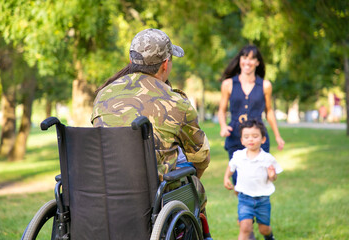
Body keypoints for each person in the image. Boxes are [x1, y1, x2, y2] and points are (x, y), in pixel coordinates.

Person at [91, 29, 212, 238]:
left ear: (131, 59)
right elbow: (200, 157)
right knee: (196, 187)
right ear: (165, 64)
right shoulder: (175, 102)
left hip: (103, 191)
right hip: (154, 197)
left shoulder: (104, 95)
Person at [218, 44, 285, 187]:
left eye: (252, 59)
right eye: (245, 57)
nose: (247, 62)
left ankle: (257, 207)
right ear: (240, 60)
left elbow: (269, 111)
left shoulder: (265, 85)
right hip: (235, 136)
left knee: (259, 178)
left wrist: (277, 136)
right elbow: (222, 110)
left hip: (258, 135)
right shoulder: (228, 84)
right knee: (238, 181)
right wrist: (223, 126)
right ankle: (244, 208)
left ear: (257, 62)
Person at [224, 119, 282, 240]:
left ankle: (269, 236)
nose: (251, 139)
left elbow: (274, 177)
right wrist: (226, 177)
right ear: (242, 140)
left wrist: (272, 175)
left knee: (264, 229)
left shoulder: (267, 158)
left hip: (262, 200)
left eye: (255, 136)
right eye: (246, 136)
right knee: (245, 227)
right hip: (244, 198)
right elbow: (231, 166)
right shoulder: (238, 155)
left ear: (263, 139)